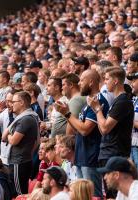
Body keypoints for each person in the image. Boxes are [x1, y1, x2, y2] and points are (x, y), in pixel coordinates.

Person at [55, 70, 108, 198]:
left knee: (92, 195)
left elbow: (85, 130)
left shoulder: (99, 101)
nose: (79, 83)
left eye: (82, 80)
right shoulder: (88, 103)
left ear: (91, 82)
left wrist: (67, 113)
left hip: (91, 156)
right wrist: (65, 113)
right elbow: (77, 128)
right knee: (80, 195)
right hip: (81, 154)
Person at [2, 91, 39, 195]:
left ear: (21, 102)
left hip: (19, 162)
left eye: (13, 101)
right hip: (18, 161)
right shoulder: (21, 118)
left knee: (20, 194)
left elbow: (13, 140)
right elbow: (3, 137)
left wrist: (9, 134)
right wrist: (9, 133)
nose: (11, 104)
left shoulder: (26, 119)